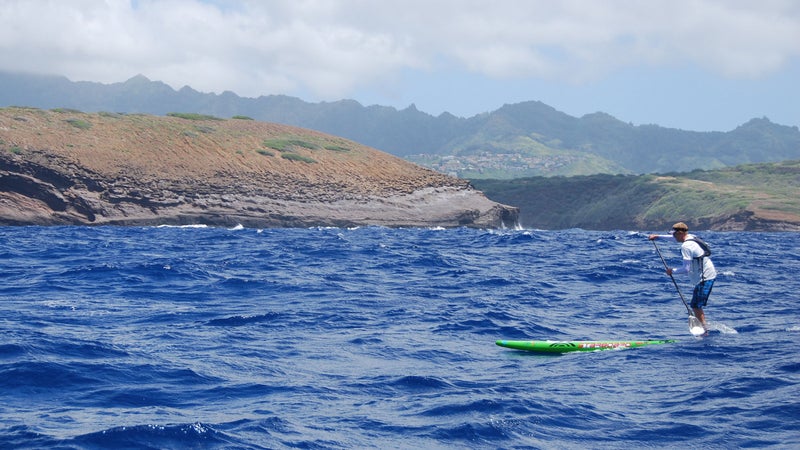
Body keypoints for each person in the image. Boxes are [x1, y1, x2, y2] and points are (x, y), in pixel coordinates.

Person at [649, 222, 717, 330]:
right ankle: (704, 327)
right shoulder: (690, 237)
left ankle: (704, 329)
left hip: (705, 277)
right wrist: (657, 237)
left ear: (680, 233)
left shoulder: (686, 246)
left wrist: (672, 271)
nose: (673, 237)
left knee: (695, 305)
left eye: (674, 234)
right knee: (695, 304)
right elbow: (672, 239)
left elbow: (686, 269)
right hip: (707, 274)